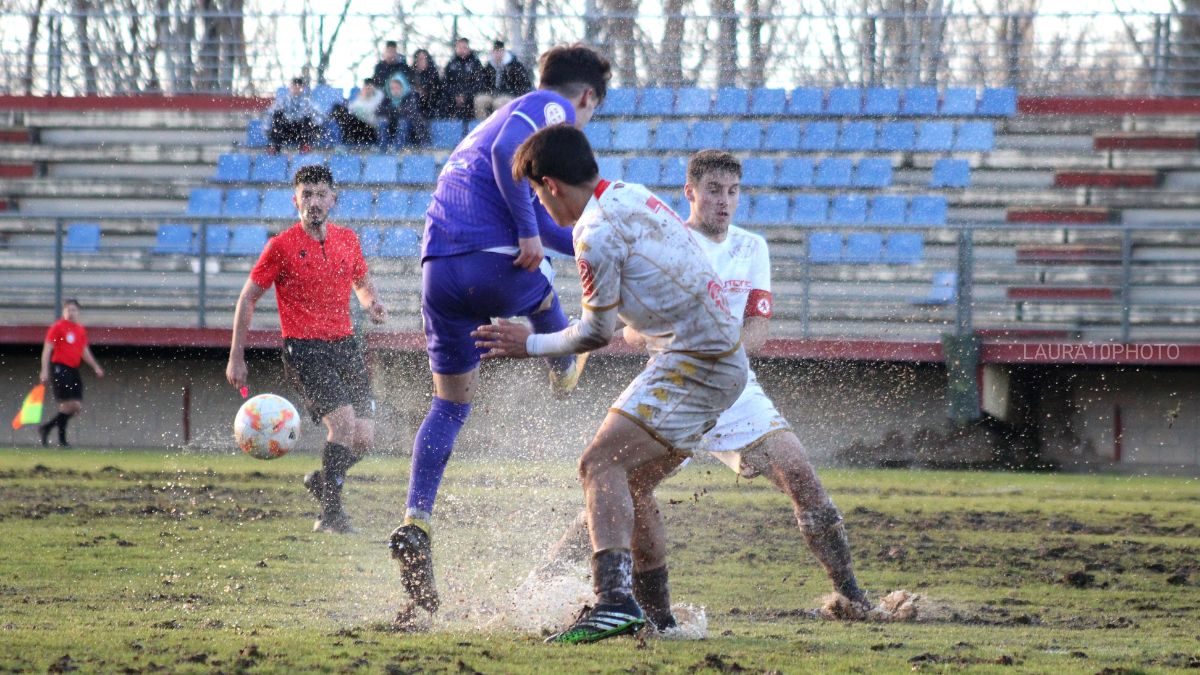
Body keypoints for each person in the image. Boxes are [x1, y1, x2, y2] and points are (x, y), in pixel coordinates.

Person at [529, 150, 871, 631]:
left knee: (799, 473)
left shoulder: (752, 248)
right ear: (690, 193)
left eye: (733, 192)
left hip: (732, 380)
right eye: (714, 191)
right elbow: (627, 330)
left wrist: (720, 347)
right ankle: (570, 582)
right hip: (675, 377)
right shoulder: (666, 232)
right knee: (621, 478)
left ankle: (851, 593)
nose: (724, 202)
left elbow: (757, 328)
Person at [473, 125, 748, 644]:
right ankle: (660, 618)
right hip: (713, 356)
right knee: (632, 481)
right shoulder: (630, 193)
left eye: (535, 193)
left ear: (551, 185)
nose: (539, 204)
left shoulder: (593, 232)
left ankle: (614, 602)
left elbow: (596, 333)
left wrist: (527, 342)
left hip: (697, 361)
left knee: (598, 464)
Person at [387, 45, 611, 623]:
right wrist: (526, 236)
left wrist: (589, 237)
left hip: (439, 274)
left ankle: (417, 518)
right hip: (495, 263)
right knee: (542, 285)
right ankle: (562, 363)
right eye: (592, 113)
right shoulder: (548, 107)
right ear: (586, 97)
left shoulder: (485, 132)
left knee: (450, 404)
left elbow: (552, 225)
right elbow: (520, 174)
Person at [226, 165, 388, 534]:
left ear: (334, 199)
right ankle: (331, 515)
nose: (313, 201)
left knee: (364, 438)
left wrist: (371, 303)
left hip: (346, 346)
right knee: (343, 424)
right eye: (306, 194)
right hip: (305, 350)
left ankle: (324, 480)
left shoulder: (348, 239)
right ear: (295, 199)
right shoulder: (280, 246)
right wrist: (237, 356)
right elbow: (248, 299)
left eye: (320, 194)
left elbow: (361, 282)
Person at [38, 298, 104, 447]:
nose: (71, 313)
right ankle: (62, 440)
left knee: (76, 407)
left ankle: (46, 428)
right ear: (63, 311)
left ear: (78, 312)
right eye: (68, 310)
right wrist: (44, 370)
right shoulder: (58, 327)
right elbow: (47, 349)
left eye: (73, 310)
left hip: (73, 369)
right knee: (68, 405)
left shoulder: (80, 330)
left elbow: (84, 351)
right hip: (59, 367)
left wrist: (95, 366)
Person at [474, 40, 533, 120]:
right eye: (495, 51)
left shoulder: (514, 65)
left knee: (499, 103)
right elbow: (483, 83)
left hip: (509, 95)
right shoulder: (489, 66)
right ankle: (484, 125)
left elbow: (523, 84)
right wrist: (488, 91)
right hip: (493, 94)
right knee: (479, 100)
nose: (497, 54)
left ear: (503, 51)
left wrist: (512, 93)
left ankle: (499, 126)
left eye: (499, 51)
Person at [267, 77, 322, 152]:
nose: (296, 89)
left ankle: (305, 145)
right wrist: (267, 131)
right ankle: (275, 146)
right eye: (294, 86)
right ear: (290, 87)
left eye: (298, 86)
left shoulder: (308, 101)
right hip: (285, 131)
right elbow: (270, 114)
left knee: (308, 117)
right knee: (277, 114)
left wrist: (316, 128)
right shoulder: (283, 100)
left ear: (302, 87)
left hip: (301, 132)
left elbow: (319, 116)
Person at [377, 73, 428, 149]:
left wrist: (393, 111)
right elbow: (379, 111)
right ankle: (383, 149)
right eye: (392, 88)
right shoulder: (387, 98)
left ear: (403, 87)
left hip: (412, 131)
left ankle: (397, 149)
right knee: (382, 122)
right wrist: (394, 111)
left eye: (397, 88)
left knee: (403, 122)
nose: (395, 91)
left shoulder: (410, 95)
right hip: (393, 128)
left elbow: (410, 111)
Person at [329, 78, 382, 147]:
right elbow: (351, 108)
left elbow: (370, 112)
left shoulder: (378, 97)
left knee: (349, 120)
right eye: (366, 86)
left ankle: (345, 142)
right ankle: (343, 142)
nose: (367, 89)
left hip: (370, 129)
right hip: (358, 125)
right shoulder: (362, 96)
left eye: (369, 87)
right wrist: (362, 99)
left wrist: (364, 100)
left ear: (373, 87)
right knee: (338, 108)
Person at [443, 37, 484, 120]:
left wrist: (466, 96)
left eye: (464, 47)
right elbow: (446, 83)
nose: (462, 50)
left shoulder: (475, 63)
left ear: (469, 49)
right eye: (459, 47)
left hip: (470, 97)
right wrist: (455, 95)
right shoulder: (451, 64)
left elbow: (478, 83)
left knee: (476, 102)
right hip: (453, 98)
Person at [409, 49, 445, 119]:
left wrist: (426, 91)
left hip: (430, 102)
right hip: (415, 102)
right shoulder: (411, 73)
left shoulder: (433, 73)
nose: (421, 61)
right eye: (420, 59)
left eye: (424, 59)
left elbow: (437, 89)